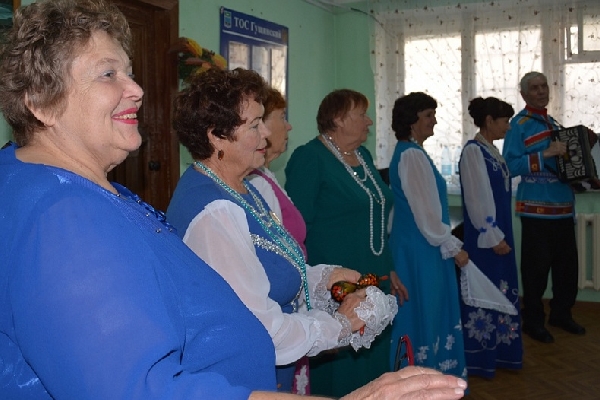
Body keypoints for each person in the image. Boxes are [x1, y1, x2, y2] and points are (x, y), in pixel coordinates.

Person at [0, 1, 469, 399]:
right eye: (108, 74)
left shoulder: (76, 190)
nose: (137, 90)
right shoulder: (62, 217)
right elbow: (141, 389)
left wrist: (322, 278)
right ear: (41, 101)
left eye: (130, 72)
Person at [166, 68, 400, 394]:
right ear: (216, 135)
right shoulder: (215, 213)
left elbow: (266, 266)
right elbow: (264, 329)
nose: (266, 133)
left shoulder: (242, 188)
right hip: (238, 380)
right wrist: (340, 324)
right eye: (254, 125)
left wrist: (324, 278)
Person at [285, 89, 408, 398]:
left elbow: (376, 218)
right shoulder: (310, 157)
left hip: (374, 275)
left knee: (372, 359)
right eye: (361, 114)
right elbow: (296, 228)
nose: (369, 121)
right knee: (341, 365)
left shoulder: (363, 156)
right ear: (338, 119)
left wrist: (389, 266)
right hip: (336, 284)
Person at [388, 92, 468, 379]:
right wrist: (452, 245)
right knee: (426, 310)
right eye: (428, 116)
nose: (434, 121)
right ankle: (421, 379)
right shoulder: (411, 155)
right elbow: (425, 212)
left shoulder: (409, 152)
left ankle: (424, 376)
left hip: (416, 245)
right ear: (412, 121)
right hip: (421, 248)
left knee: (426, 310)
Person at [502, 71, 585, 343]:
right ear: (524, 94)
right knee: (535, 271)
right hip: (535, 210)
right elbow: (509, 166)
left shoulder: (554, 123)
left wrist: (579, 175)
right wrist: (545, 153)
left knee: (566, 269)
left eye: (544, 86)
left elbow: (564, 165)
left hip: (564, 207)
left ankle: (561, 313)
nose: (541, 91)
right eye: (535, 88)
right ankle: (533, 321)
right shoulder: (518, 125)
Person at [247, 88, 311, 394]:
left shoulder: (267, 177)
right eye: (281, 117)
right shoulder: (257, 183)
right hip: (280, 315)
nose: (288, 126)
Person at [459, 97, 523, 377]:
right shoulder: (474, 152)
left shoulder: (491, 151)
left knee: (502, 289)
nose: (508, 127)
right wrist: (492, 236)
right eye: (505, 121)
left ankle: (502, 353)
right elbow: (477, 198)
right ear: (488, 121)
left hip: (500, 232)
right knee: (486, 292)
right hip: (486, 240)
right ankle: (481, 358)